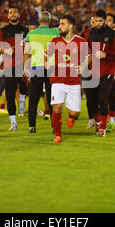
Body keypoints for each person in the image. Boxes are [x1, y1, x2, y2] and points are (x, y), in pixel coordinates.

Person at [45, 15, 90, 143]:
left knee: (75, 113)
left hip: (74, 82)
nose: (59, 26)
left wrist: (83, 66)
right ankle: (58, 135)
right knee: (56, 107)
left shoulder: (81, 42)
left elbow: (89, 56)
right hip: (57, 80)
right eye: (59, 24)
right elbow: (45, 55)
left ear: (71, 26)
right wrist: (47, 63)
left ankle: (71, 117)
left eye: (62, 24)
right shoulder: (55, 41)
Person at [86, 10, 115, 135]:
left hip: (108, 70)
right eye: (95, 21)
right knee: (91, 100)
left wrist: (106, 54)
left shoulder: (113, 35)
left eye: (100, 21)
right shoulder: (91, 33)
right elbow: (89, 51)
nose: (97, 23)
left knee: (102, 99)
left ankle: (103, 128)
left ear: (105, 20)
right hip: (94, 70)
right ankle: (97, 123)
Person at [23, 11, 59, 133]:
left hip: (36, 68)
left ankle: (32, 126)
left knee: (33, 99)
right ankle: (54, 127)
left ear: (39, 21)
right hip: (51, 69)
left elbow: (26, 53)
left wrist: (24, 68)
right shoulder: (55, 32)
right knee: (52, 99)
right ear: (49, 21)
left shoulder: (31, 34)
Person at [0, 8, 29, 130]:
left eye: (15, 12)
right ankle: (13, 122)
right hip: (9, 66)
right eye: (10, 12)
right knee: (10, 94)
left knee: (24, 89)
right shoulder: (3, 31)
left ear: (19, 14)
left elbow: (30, 48)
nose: (13, 14)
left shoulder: (25, 30)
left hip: (23, 65)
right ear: (7, 16)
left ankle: (23, 104)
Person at [81, 16, 99, 130]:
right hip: (87, 67)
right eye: (92, 21)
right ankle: (91, 119)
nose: (95, 23)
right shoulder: (85, 34)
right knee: (90, 96)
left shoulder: (103, 34)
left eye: (96, 21)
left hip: (99, 67)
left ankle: (99, 119)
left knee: (99, 96)